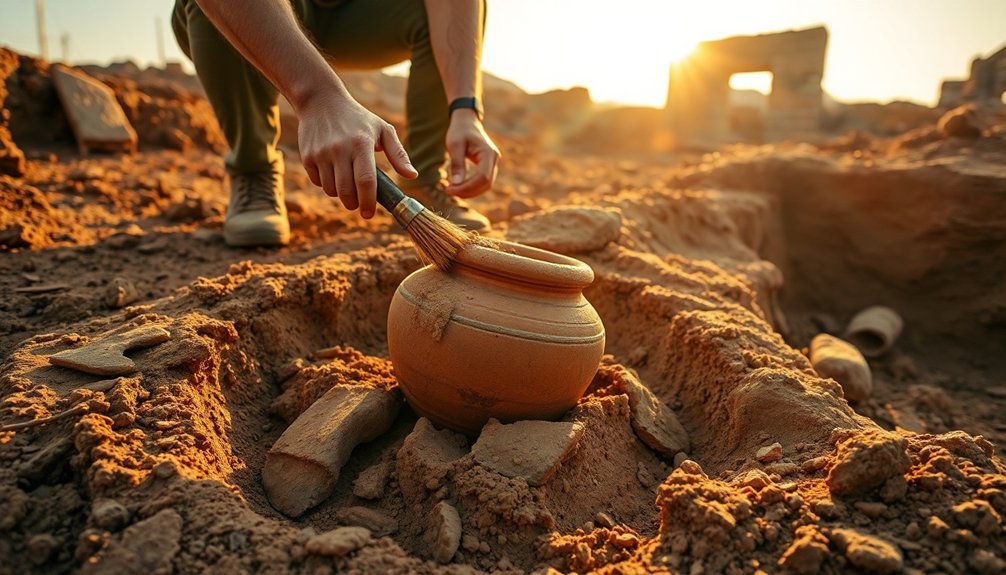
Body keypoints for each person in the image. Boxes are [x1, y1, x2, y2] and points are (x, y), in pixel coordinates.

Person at [171, 0, 499, 247]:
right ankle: (253, 169)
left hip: (354, 15)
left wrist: (465, 107)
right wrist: (318, 97)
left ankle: (424, 179)